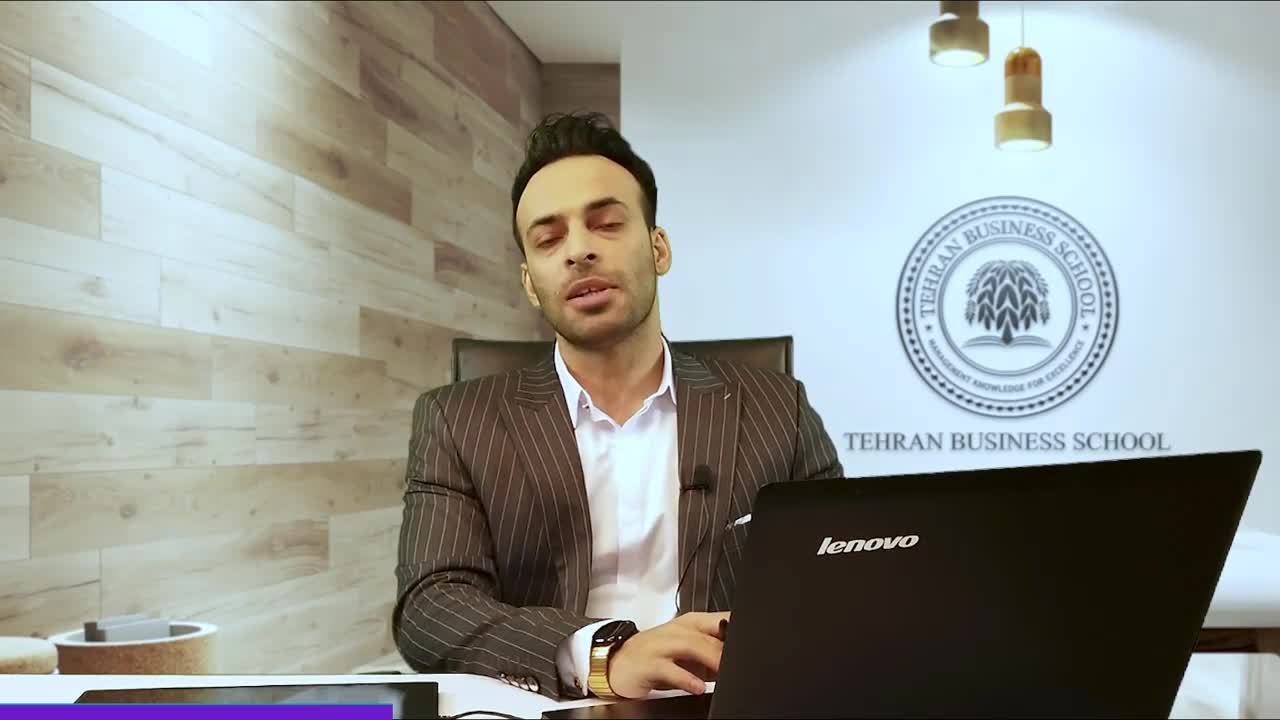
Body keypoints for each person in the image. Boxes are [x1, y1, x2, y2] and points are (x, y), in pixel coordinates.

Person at [391, 112, 844, 701]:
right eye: (549, 239)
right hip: (551, 703)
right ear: (530, 283)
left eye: (606, 224)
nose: (579, 250)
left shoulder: (776, 408)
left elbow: (838, 580)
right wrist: (604, 656)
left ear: (659, 248)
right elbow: (430, 608)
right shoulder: (459, 421)